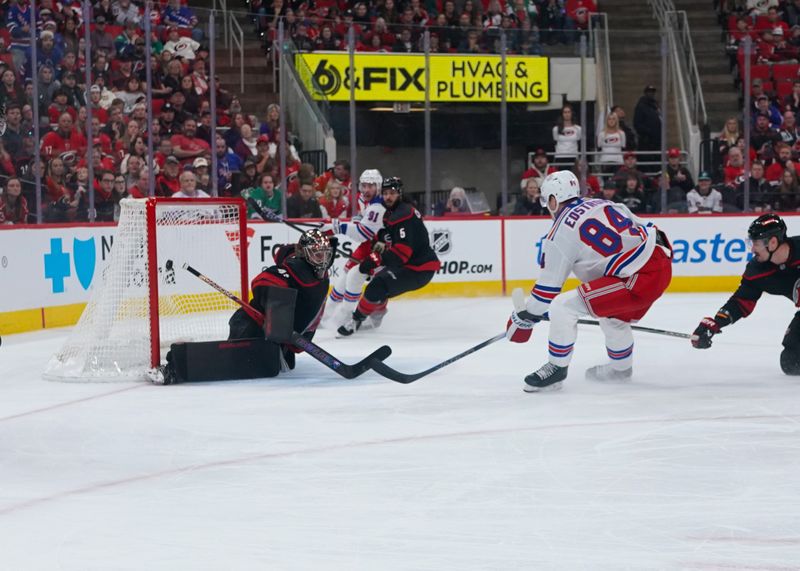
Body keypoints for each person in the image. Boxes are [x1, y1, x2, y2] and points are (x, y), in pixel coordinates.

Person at [505, 170, 672, 392]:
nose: (547, 208)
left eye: (547, 202)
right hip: (659, 263)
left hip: (636, 279)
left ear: (554, 199)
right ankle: (621, 370)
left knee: (563, 307)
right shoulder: (602, 204)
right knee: (611, 317)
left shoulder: (559, 233)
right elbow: (647, 226)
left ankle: (556, 369)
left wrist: (522, 318)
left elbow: (546, 294)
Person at [161, 230, 336, 383]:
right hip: (249, 326)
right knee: (232, 364)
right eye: (316, 253)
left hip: (273, 338)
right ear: (303, 254)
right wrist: (277, 308)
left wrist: (294, 336)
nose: (322, 259)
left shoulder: (317, 275)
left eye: (325, 253)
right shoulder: (294, 269)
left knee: (277, 366)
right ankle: (177, 366)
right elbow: (261, 281)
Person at [691, 214, 800, 375]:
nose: (752, 249)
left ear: (773, 242)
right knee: (791, 362)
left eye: (755, 243)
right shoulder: (757, 271)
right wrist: (715, 324)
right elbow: (741, 302)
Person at [337, 177, 442, 336]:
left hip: (419, 269)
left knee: (377, 286)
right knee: (378, 280)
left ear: (399, 193)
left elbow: (402, 254)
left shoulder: (403, 214)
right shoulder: (391, 214)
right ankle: (377, 314)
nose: (388, 197)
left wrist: (373, 261)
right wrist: (375, 253)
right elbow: (386, 240)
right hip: (409, 265)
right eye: (385, 193)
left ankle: (355, 321)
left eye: (392, 193)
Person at [322, 169, 386, 327]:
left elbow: (362, 233)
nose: (366, 189)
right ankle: (324, 317)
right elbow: (363, 223)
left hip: (381, 250)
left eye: (370, 186)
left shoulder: (379, 206)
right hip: (367, 246)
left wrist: (335, 226)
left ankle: (369, 314)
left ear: (378, 187)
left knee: (375, 285)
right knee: (344, 279)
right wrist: (358, 220)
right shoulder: (363, 199)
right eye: (363, 185)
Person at [633, 85, 662, 173]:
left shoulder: (655, 106)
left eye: (653, 92)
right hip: (646, 142)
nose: (651, 94)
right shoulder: (641, 106)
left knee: (656, 163)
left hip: (656, 142)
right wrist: (649, 132)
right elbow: (637, 124)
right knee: (646, 164)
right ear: (645, 93)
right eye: (649, 92)